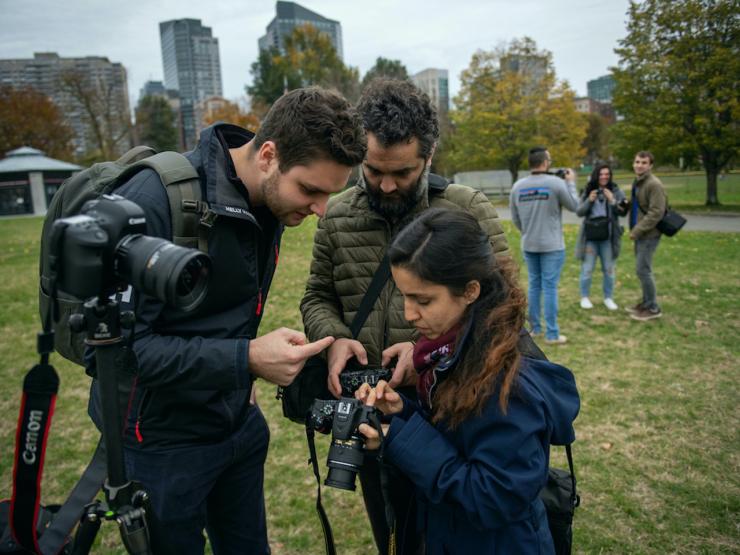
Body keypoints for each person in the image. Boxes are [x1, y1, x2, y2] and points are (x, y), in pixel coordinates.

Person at [86, 87, 367, 554]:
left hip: (236, 427)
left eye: (329, 195)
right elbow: (120, 352)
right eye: (311, 190)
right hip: (160, 445)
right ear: (269, 155)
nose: (321, 211)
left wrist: (243, 369)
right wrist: (247, 359)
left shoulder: (272, 204)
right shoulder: (154, 199)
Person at [300, 78, 509, 555]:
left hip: (453, 414)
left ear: (429, 158)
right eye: (373, 171)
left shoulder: (466, 209)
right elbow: (316, 295)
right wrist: (332, 337)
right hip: (374, 410)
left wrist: (429, 354)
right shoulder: (336, 216)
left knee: (455, 533)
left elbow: (504, 311)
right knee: (391, 533)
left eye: (403, 173)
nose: (387, 185)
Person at [355, 208, 580, 555]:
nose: (409, 314)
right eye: (404, 296)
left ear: (470, 290)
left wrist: (397, 439)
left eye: (423, 300)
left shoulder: (506, 381)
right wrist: (403, 412)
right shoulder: (454, 348)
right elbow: (458, 436)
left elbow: (493, 497)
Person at [510, 147, 578, 344]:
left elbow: (515, 218)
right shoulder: (556, 183)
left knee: (534, 285)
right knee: (549, 287)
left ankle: (535, 328)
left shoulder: (518, 186)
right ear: (545, 162)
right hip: (552, 245)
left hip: (529, 244)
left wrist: (527, 231)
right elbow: (575, 206)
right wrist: (571, 184)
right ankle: (552, 334)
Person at [575, 163, 629, 310]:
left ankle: (608, 297)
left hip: (608, 237)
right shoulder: (588, 190)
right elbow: (579, 211)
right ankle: (584, 297)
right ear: (596, 175)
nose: (604, 177)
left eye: (607, 174)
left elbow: (623, 212)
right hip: (590, 238)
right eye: (601, 174)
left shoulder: (616, 191)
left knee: (609, 269)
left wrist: (612, 200)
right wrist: (589, 200)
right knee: (587, 269)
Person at [627, 150, 666, 321]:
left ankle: (653, 307)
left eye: (643, 163)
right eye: (637, 162)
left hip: (649, 234)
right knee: (641, 270)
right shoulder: (639, 182)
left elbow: (656, 212)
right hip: (641, 233)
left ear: (650, 165)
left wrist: (637, 230)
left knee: (644, 270)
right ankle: (645, 303)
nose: (639, 165)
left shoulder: (653, 184)